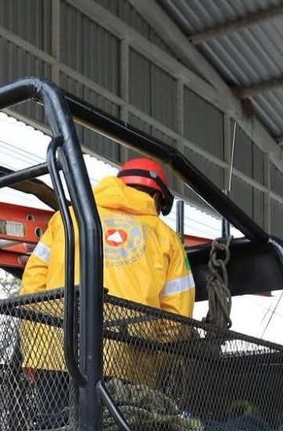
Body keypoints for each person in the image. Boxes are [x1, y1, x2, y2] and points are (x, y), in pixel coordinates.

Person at [15, 159, 197, 404]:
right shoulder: (168, 239)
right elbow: (177, 318)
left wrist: (34, 350)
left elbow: (32, 286)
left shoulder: (65, 219)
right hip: (129, 360)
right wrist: (152, 361)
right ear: (158, 197)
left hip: (56, 354)